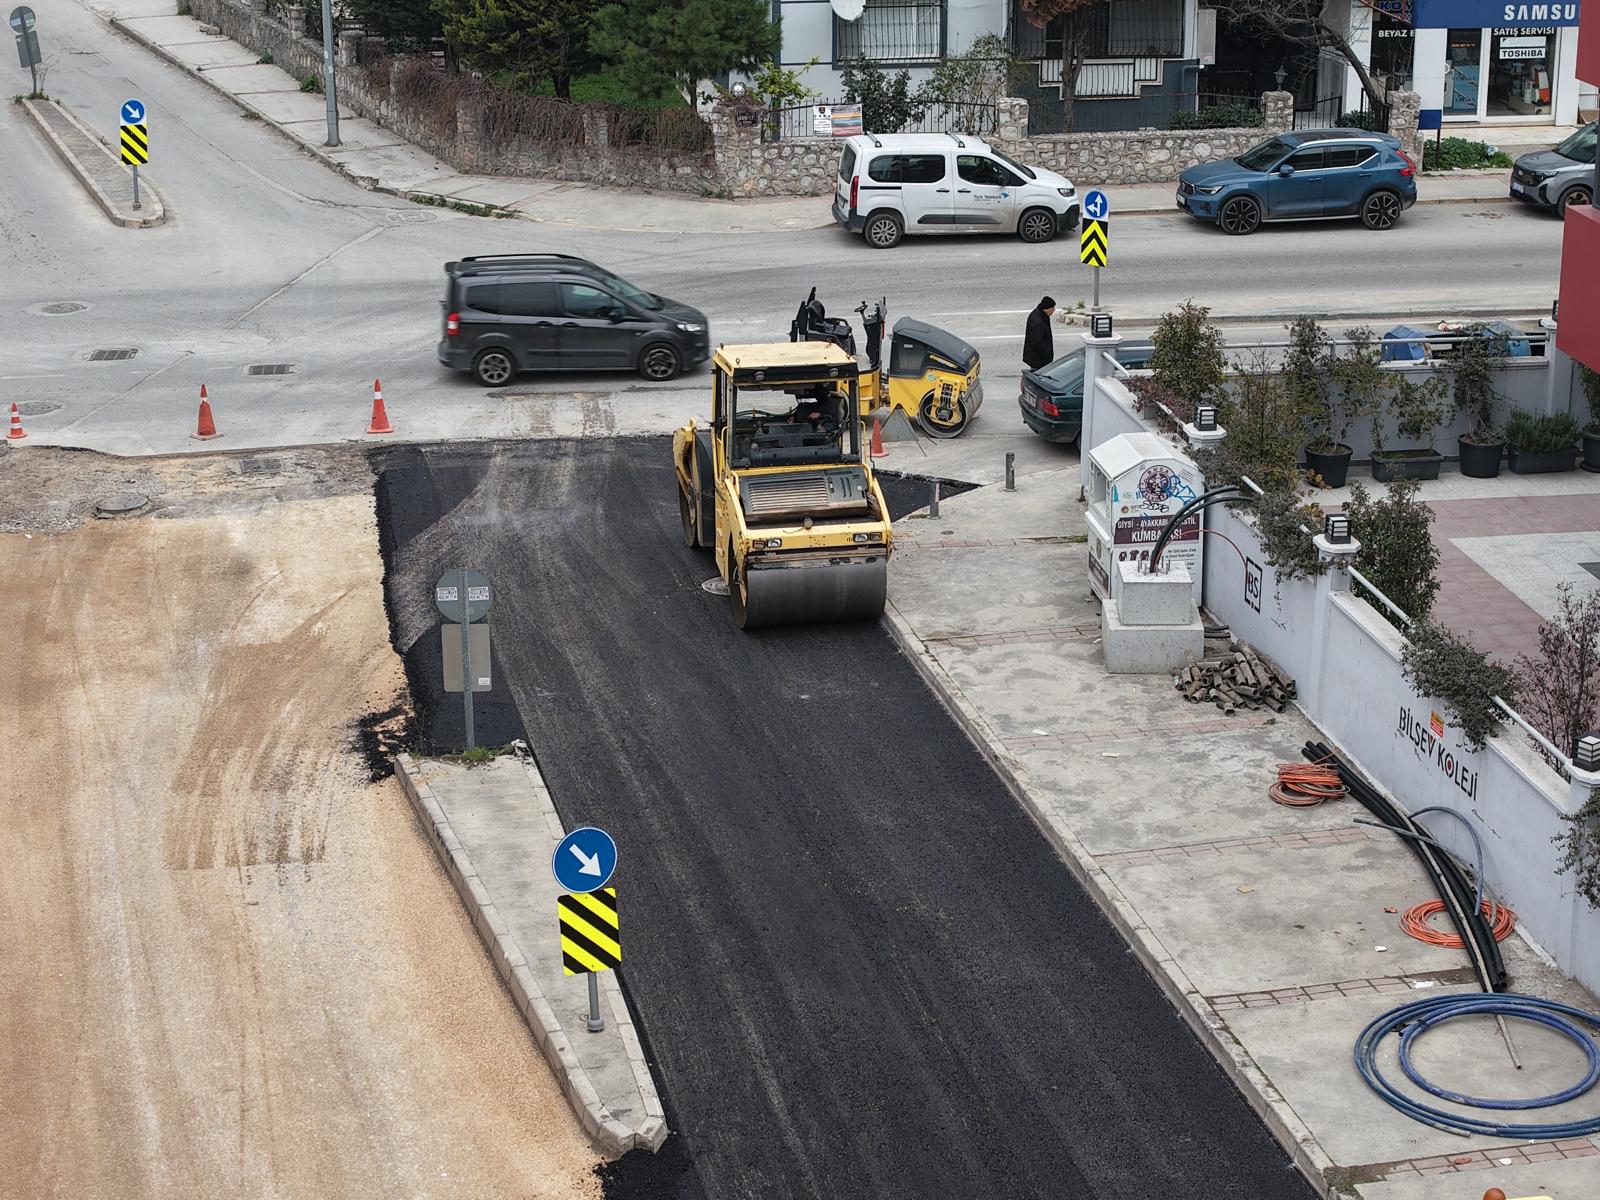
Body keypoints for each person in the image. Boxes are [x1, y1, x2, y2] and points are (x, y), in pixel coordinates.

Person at [1023, 296, 1056, 371]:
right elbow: (1037, 342)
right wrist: (1047, 353)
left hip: (1036, 358)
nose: (1054, 310)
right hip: (1039, 360)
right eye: (1052, 308)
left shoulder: (1040, 314)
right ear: (1047, 308)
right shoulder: (1038, 322)